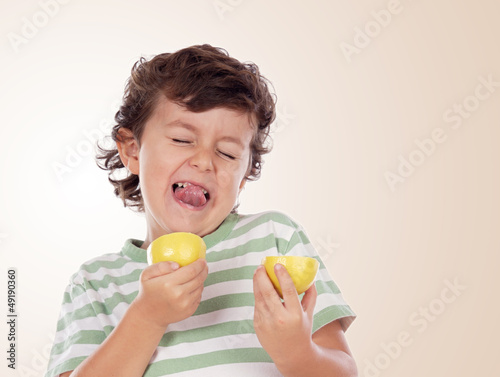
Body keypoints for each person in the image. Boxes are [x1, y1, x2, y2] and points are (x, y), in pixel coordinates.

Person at [45, 44, 357, 377]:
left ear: (243, 179)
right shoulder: (95, 283)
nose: (204, 161)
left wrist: (296, 352)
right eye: (182, 139)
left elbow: (344, 371)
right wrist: (147, 317)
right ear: (133, 151)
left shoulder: (275, 240)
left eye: (226, 153)